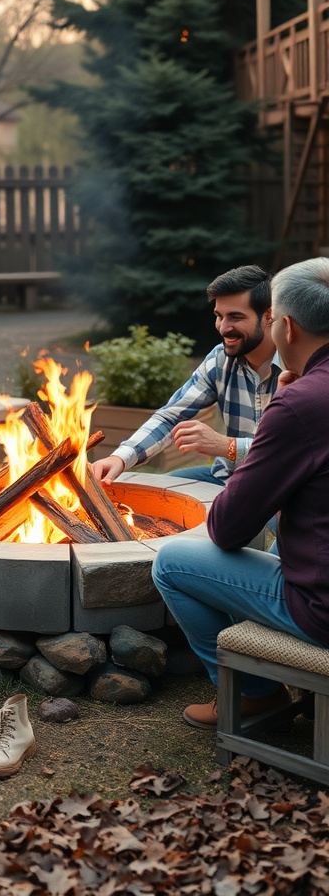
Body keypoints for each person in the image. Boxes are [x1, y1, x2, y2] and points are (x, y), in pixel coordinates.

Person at [152, 256, 329, 728]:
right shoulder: (290, 385)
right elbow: (171, 414)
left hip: (319, 609)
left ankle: (255, 694)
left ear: (283, 326)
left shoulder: (299, 402)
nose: (223, 326)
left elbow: (228, 528)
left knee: (170, 562)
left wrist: (269, 417)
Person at [91, 265, 280, 487]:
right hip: (227, 479)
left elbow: (296, 451)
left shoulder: (300, 366)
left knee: (263, 523)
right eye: (219, 316)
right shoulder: (220, 359)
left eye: (235, 317)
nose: (223, 327)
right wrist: (121, 457)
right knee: (161, 493)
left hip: (279, 491)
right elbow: (170, 417)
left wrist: (226, 446)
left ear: (268, 315)